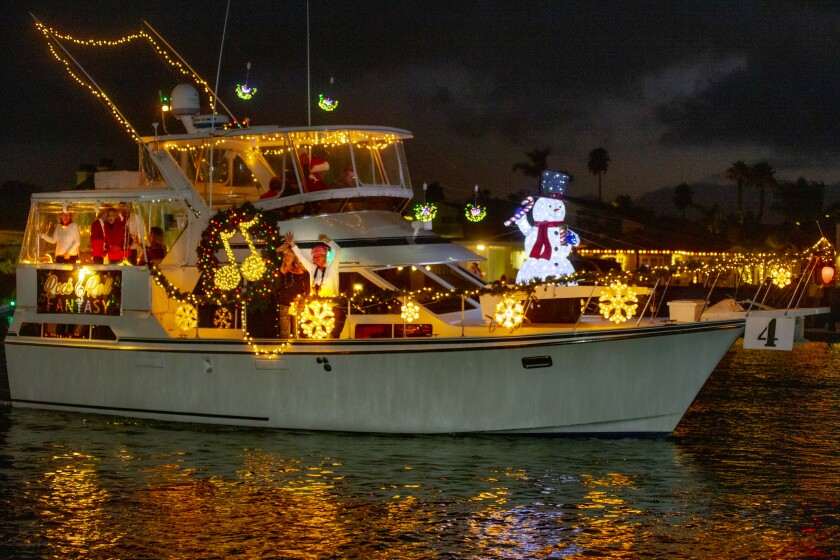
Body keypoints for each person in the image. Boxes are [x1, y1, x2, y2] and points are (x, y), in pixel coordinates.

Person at [287, 231, 345, 337]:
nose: (316, 258)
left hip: (332, 308)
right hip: (315, 310)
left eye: (319, 256)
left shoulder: (332, 268)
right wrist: (292, 244)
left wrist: (327, 240)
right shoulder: (313, 269)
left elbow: (338, 250)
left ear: (324, 256)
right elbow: (301, 257)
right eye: (314, 256)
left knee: (333, 333)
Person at [275, 242, 310, 337]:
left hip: (298, 304)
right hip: (284, 303)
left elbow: (307, 288)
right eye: (286, 255)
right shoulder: (283, 269)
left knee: (298, 330)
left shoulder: (302, 270)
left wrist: (304, 299)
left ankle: (299, 349)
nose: (287, 257)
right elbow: (272, 256)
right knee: (285, 331)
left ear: (294, 257)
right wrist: (280, 248)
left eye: (290, 255)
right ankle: (285, 349)